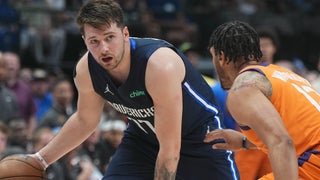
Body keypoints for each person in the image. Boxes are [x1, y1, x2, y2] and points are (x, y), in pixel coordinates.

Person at [26, 0, 240, 179]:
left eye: (110, 37)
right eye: (95, 42)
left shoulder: (159, 65)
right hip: (143, 140)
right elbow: (85, 121)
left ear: (125, 34)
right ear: (84, 41)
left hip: (201, 141)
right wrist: (39, 160)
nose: (104, 49)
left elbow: (170, 150)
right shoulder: (86, 69)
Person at [204, 20, 320, 179]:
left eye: (213, 56)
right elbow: (300, 130)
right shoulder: (283, 74)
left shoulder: (243, 88)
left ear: (221, 57)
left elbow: (282, 141)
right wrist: (245, 141)